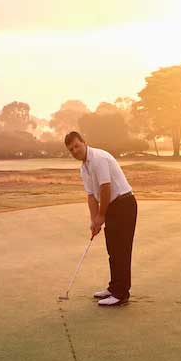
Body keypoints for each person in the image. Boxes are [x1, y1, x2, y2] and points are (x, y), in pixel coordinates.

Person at [64, 131, 137, 306]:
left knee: (121, 251)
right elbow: (91, 195)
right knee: (112, 250)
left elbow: (105, 188)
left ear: (84, 142)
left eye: (77, 146)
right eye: (71, 149)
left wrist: (101, 215)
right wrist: (94, 220)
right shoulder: (84, 168)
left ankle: (121, 294)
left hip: (124, 204)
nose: (75, 151)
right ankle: (114, 287)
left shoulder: (98, 158)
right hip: (112, 206)